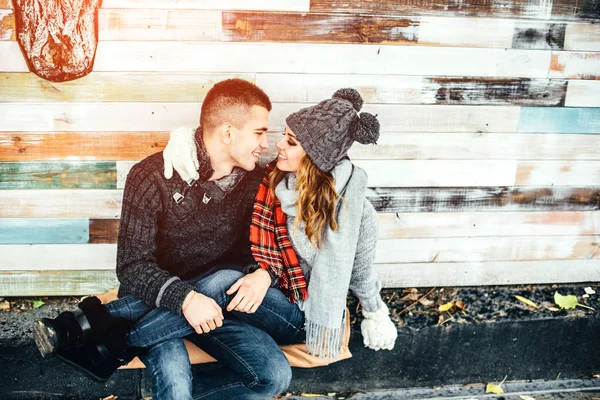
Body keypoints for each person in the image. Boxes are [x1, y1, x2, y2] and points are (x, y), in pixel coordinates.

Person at [32, 78, 301, 400]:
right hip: (159, 301)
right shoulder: (151, 176)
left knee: (273, 377)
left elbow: (267, 246)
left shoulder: (257, 180)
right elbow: (132, 266)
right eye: (259, 132)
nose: (265, 143)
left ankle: (104, 337)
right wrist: (186, 299)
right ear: (228, 132)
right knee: (174, 387)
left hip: (217, 303)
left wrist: (262, 273)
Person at [164, 88, 397, 366]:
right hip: (275, 287)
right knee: (218, 279)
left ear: (313, 156)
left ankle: (121, 336)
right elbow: (224, 154)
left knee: (224, 282)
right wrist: (186, 142)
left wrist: (376, 313)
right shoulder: (277, 180)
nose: (278, 145)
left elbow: (361, 272)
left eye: (291, 142)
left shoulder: (353, 212)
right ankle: (119, 328)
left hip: (303, 310)